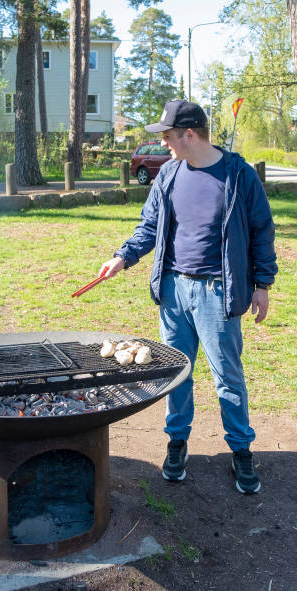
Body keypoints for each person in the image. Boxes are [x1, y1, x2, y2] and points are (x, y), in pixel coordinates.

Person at [99, 99, 277, 494]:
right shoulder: (168, 176)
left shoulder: (238, 175)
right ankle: (176, 443)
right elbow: (149, 226)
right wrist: (122, 257)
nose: (164, 144)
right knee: (176, 372)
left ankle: (241, 450)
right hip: (173, 290)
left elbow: (262, 231)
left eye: (167, 136)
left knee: (227, 377)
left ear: (190, 134)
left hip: (218, 292)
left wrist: (262, 285)